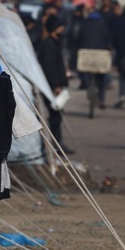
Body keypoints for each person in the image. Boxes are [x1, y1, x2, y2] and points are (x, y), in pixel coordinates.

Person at [37, 15, 71, 150]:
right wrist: (55, 85)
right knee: (55, 115)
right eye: (59, 26)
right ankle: (56, 145)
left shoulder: (56, 41)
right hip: (51, 86)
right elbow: (49, 67)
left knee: (57, 115)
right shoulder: (49, 44)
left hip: (57, 84)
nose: (62, 28)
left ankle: (58, 143)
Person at [78, 7, 113, 108]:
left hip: (86, 54)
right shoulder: (102, 24)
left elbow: (79, 38)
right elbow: (107, 38)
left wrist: (78, 50)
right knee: (102, 77)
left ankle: (90, 90)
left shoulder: (84, 24)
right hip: (100, 54)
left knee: (86, 73)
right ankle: (101, 99)